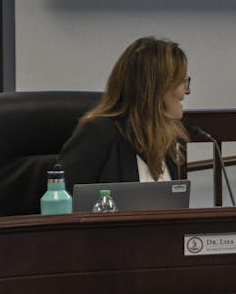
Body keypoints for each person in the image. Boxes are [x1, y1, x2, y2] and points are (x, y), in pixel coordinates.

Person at [60, 36, 190, 192]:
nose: (186, 91)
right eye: (182, 82)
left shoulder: (166, 139)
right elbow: (61, 205)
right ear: (156, 88)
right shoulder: (98, 134)